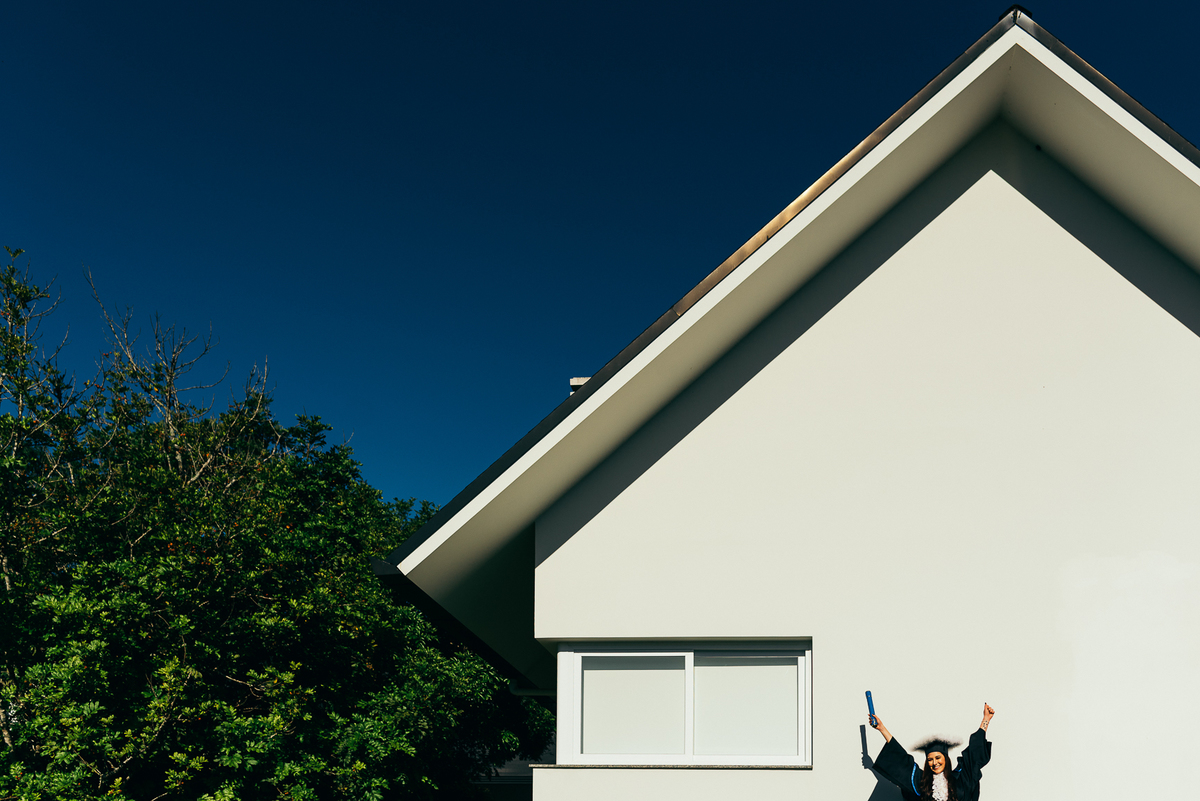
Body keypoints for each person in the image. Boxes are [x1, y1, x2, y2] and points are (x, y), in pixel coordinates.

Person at [869, 703, 994, 801]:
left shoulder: (960, 779)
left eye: (938, 758)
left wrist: (985, 719)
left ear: (946, 759)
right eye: (930, 759)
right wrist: (882, 728)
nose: (935, 763)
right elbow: (902, 761)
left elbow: (973, 755)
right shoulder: (922, 783)